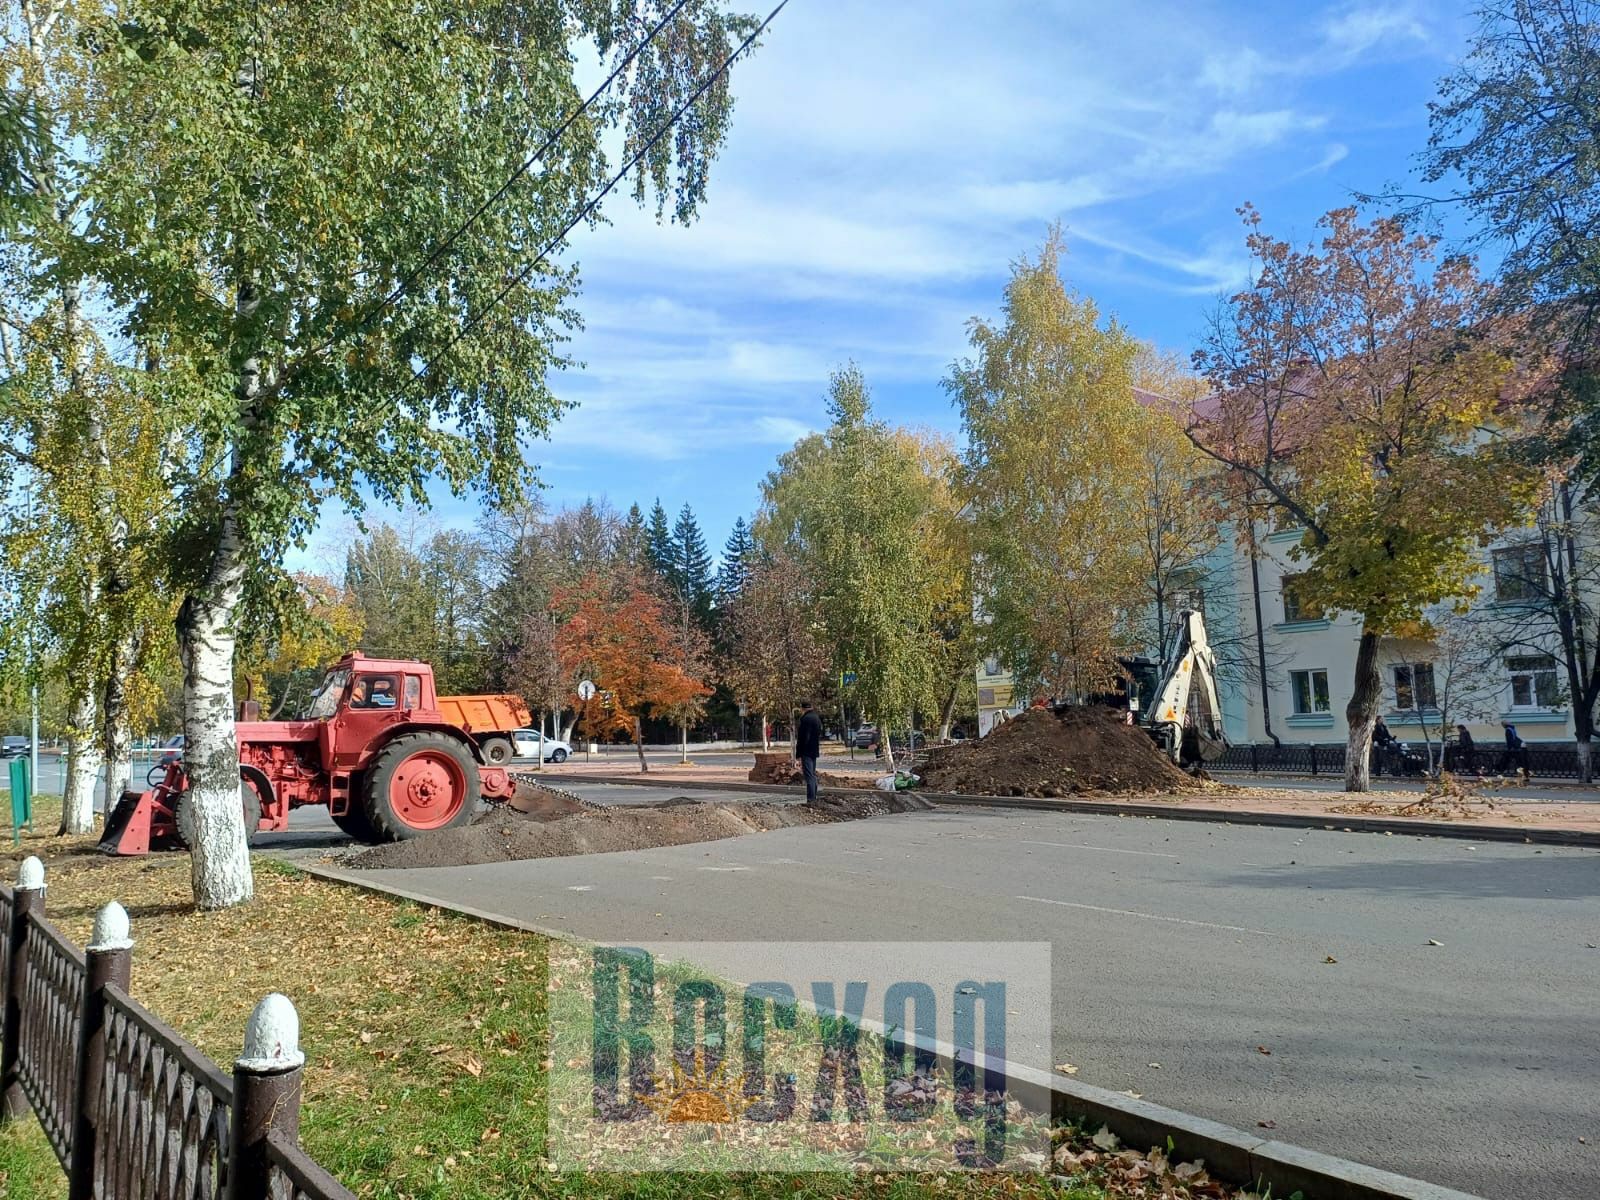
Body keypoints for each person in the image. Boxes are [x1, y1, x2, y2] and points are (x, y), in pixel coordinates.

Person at [795, 700, 823, 802]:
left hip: (806, 751)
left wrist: (798, 754)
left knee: (809, 775)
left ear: (803, 708)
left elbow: (802, 738)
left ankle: (811, 799)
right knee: (812, 773)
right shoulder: (816, 718)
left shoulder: (805, 719)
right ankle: (814, 796)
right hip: (814, 750)